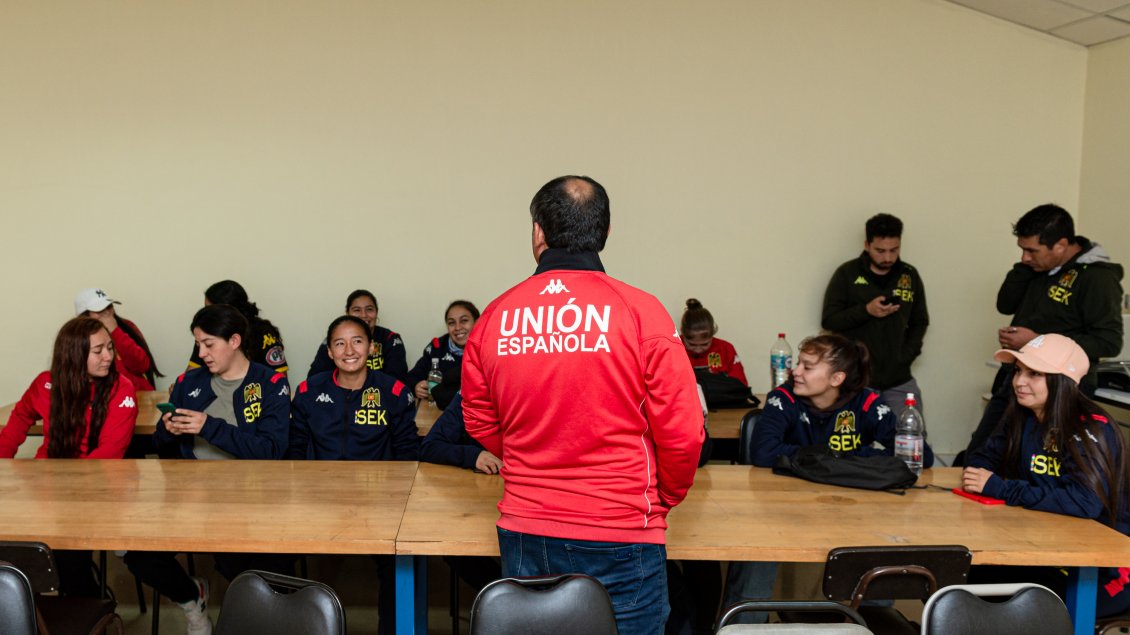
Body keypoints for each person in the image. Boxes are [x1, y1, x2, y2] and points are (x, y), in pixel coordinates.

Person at [462, 175, 705, 635]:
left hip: (526, 527)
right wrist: (660, 498)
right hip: (622, 527)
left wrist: (533, 452)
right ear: (606, 233)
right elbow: (683, 429)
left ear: (538, 232)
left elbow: (478, 417)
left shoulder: (494, 316)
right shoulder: (642, 312)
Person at [726, 333, 935, 624]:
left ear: (837, 378)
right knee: (756, 551)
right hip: (782, 510)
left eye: (807, 366)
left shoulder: (868, 403)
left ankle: (870, 622)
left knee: (883, 545)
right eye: (799, 363)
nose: (795, 371)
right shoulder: (782, 399)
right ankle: (743, 625)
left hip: (851, 510)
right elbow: (763, 453)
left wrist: (821, 459)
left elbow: (916, 455)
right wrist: (850, 459)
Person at [127, 304, 291, 635]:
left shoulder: (271, 383)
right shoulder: (190, 382)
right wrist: (167, 431)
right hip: (194, 497)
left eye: (208, 344)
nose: (201, 353)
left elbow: (270, 451)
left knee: (245, 567)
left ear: (234, 340)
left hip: (251, 499)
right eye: (198, 344)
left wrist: (207, 426)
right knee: (135, 552)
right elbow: (163, 448)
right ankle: (191, 595)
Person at [964, 333, 1130, 618]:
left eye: (1034, 373)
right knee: (967, 583)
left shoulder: (1091, 427)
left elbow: (1084, 502)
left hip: (1105, 569)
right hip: (1047, 548)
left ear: (1062, 380)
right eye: (1018, 371)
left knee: (1024, 611)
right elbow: (981, 460)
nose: (1019, 381)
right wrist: (995, 482)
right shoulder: (1023, 416)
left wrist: (1002, 488)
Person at [289, 314, 417, 635]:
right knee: (292, 558)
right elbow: (293, 454)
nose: (349, 350)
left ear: (371, 348)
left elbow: (408, 456)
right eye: (339, 343)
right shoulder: (307, 392)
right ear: (329, 352)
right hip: (321, 502)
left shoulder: (393, 392)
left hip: (381, 504)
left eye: (357, 341)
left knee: (398, 565)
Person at [964, 204, 1123, 460]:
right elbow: (1005, 303)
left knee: (1040, 462)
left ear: (1060, 245)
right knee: (981, 454)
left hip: (1061, 389)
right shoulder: (1036, 268)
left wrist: (1035, 340)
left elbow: (1108, 342)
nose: (1025, 257)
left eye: (1031, 250)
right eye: (1021, 249)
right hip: (1016, 376)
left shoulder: (1096, 279)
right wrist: (1024, 266)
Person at [0, 316, 138, 597]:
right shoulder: (46, 383)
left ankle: (80, 607)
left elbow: (107, 458)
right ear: (74, 355)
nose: (109, 357)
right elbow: (19, 419)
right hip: (48, 487)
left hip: (93, 490)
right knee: (16, 552)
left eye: (110, 348)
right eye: (98, 351)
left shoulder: (121, 389)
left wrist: (55, 489)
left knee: (67, 566)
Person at [822, 213, 928, 416]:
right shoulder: (847, 273)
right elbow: (829, 320)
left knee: (913, 438)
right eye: (880, 250)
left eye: (894, 250)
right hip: (856, 379)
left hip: (899, 378)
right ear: (867, 244)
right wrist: (866, 311)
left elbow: (920, 321)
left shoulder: (909, 275)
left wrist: (907, 355)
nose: (888, 257)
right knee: (852, 441)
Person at [185, 280, 288, 377]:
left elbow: (280, 379)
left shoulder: (263, 334)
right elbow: (191, 373)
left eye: (209, 345)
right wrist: (180, 387)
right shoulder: (207, 334)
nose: (206, 315)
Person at [306, 289, 409, 382]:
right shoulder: (335, 339)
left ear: (376, 312)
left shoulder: (391, 339)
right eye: (357, 310)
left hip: (380, 397)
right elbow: (315, 377)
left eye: (369, 309)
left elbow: (397, 381)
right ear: (347, 313)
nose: (364, 315)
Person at [74, 287, 163, 391]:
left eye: (109, 307)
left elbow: (142, 365)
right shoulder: (77, 338)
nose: (107, 313)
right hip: (105, 398)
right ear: (84, 316)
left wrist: (116, 332)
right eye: (99, 310)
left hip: (140, 396)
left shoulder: (126, 326)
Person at [405, 300, 478, 410]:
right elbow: (410, 378)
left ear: (477, 322)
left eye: (464, 321)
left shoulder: (490, 348)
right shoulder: (437, 347)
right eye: (451, 323)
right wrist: (416, 386)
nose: (458, 327)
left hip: (478, 414)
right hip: (441, 413)